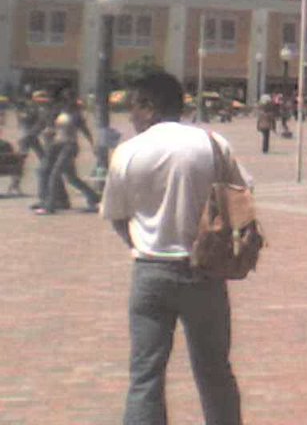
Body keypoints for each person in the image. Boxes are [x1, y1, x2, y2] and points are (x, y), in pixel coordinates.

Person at [101, 72, 250, 425]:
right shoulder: (211, 143)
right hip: (204, 269)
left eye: (134, 107)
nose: (131, 116)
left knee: (145, 377)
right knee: (214, 370)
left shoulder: (128, 151)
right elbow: (242, 195)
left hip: (151, 271)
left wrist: (142, 241)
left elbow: (117, 216)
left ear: (150, 107)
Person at [36, 91, 99, 215]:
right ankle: (93, 196)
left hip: (69, 146)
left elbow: (85, 131)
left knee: (55, 173)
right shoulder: (60, 112)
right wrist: (49, 131)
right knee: (71, 178)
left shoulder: (76, 115)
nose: (66, 102)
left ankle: (50, 205)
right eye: (65, 100)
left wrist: (92, 144)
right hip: (57, 145)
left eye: (69, 100)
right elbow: (53, 127)